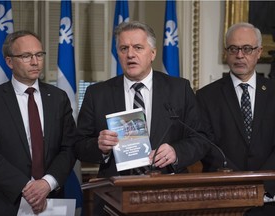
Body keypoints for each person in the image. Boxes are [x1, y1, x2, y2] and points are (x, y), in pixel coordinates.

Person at [75, 21, 209, 214]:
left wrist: (176, 152)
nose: (130, 54)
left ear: (152, 53)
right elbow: (78, 144)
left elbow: (202, 138)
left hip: (168, 196)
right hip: (114, 198)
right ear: (118, 54)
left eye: (138, 47)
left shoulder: (179, 89)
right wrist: (100, 147)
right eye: (123, 48)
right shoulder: (97, 94)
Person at [0, 30, 77, 215]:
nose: (35, 62)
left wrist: (46, 183)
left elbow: (69, 147)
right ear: (9, 61)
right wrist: (27, 187)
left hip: (52, 200)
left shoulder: (59, 98)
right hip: (6, 202)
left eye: (39, 55)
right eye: (26, 56)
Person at [196, 22, 275, 215]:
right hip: (224, 197)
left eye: (247, 49)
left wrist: (263, 183)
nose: (240, 55)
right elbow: (206, 145)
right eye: (233, 49)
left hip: (270, 196)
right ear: (226, 52)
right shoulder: (206, 96)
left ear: (259, 52)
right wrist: (238, 183)